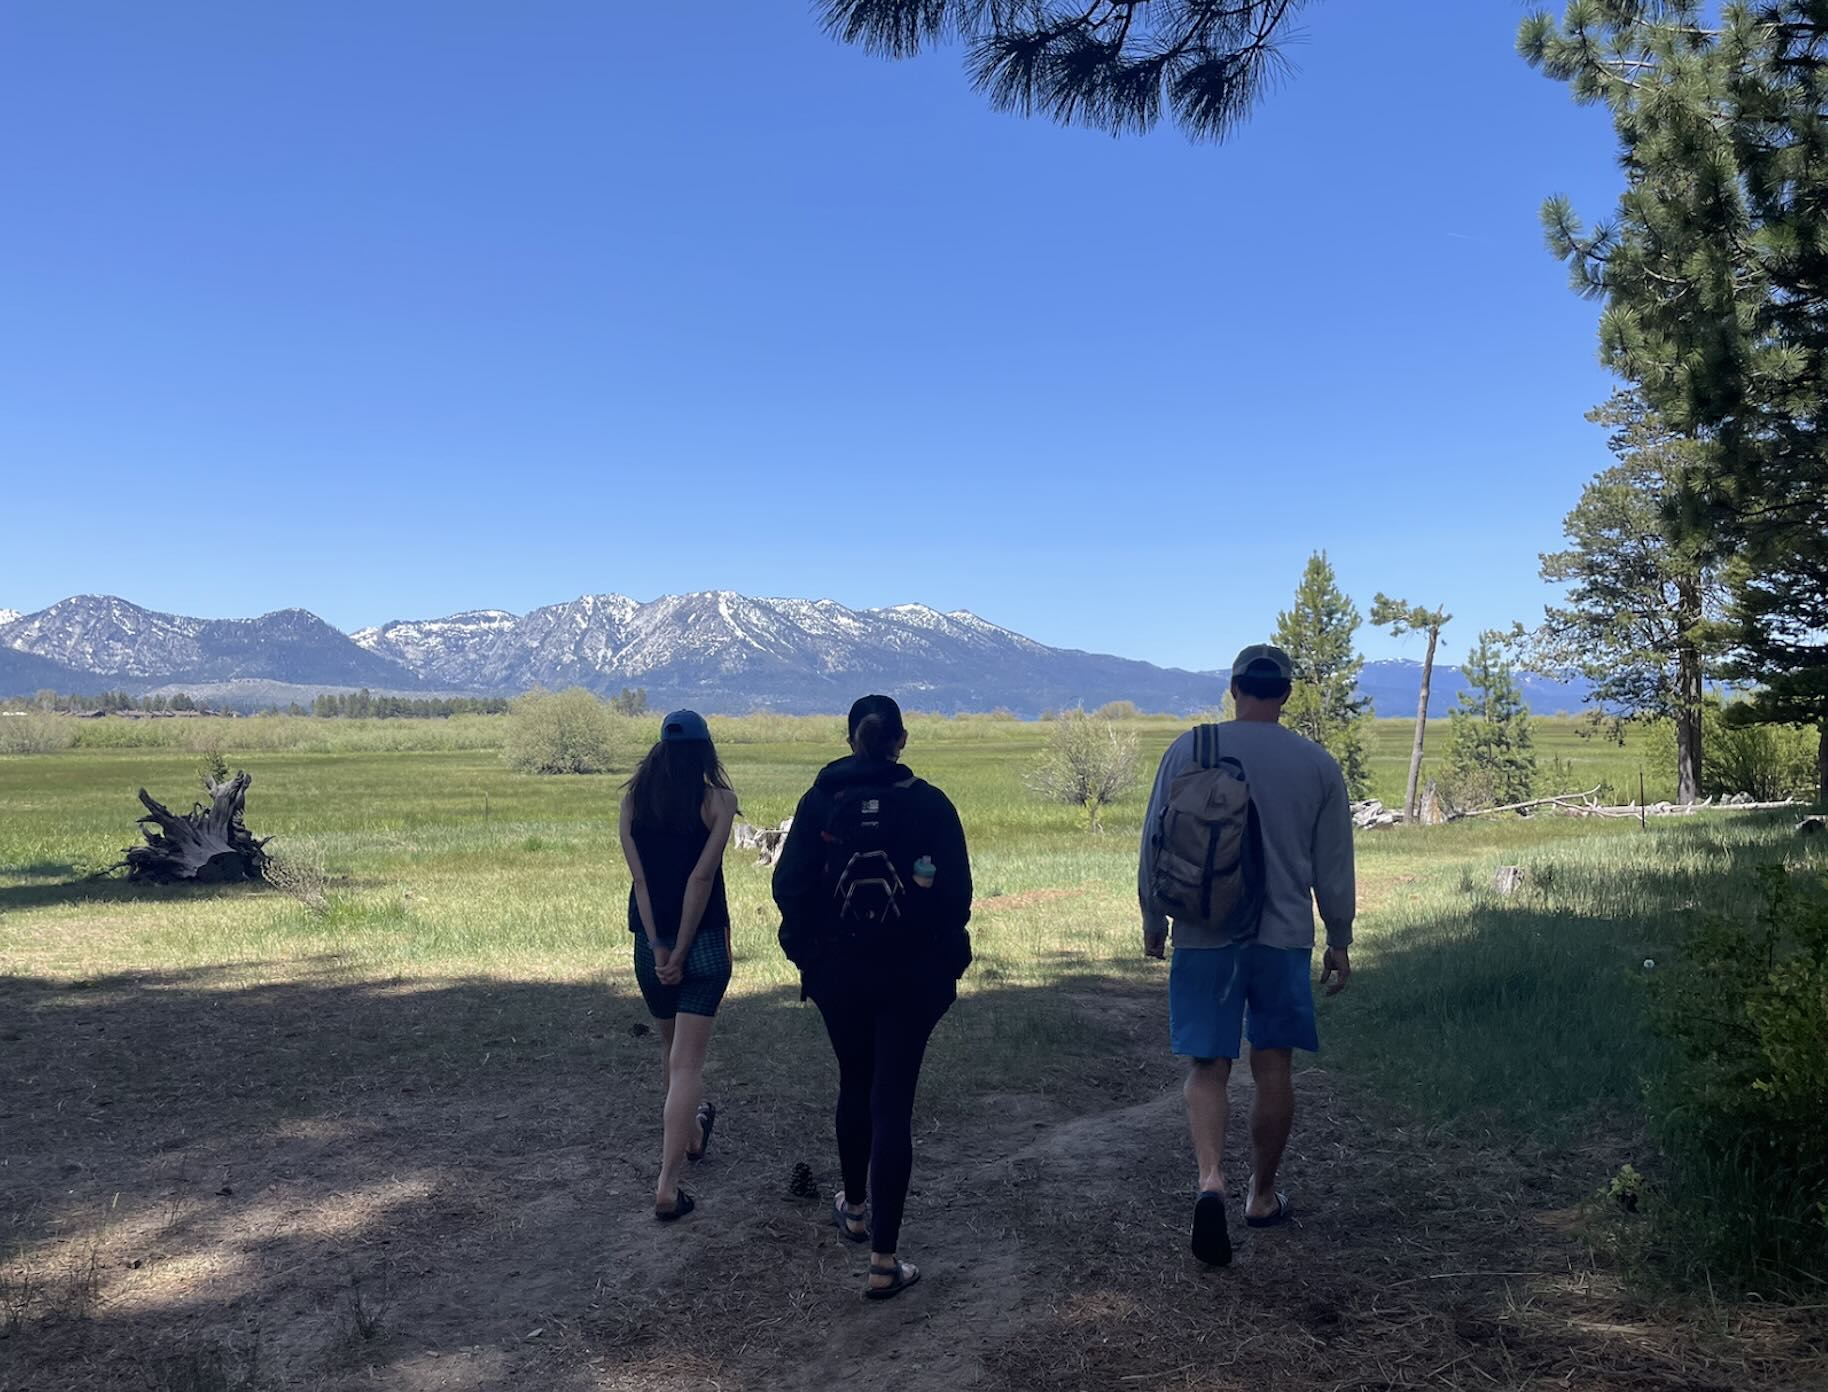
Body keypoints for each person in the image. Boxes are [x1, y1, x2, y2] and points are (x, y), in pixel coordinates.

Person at [1137, 644, 1355, 1268]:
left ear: (1234, 688)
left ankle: (1211, 1181)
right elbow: (1334, 865)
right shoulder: (1316, 763)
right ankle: (1261, 1196)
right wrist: (1339, 936)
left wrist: (1155, 917)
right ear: (1286, 693)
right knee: (1274, 1069)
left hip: (1206, 932)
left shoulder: (1192, 748)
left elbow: (1156, 836)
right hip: (1282, 938)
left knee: (1207, 1067)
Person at [773, 694, 973, 1300]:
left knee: (854, 1083)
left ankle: (855, 1209)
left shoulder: (820, 802)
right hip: (912, 979)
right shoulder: (930, 804)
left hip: (840, 975)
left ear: (848, 736)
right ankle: (884, 1261)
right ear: (902, 741)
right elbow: (958, 894)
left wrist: (812, 955)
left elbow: (788, 886)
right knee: (893, 1103)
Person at [619, 709, 739, 1222]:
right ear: (705, 751)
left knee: (672, 1053)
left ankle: (692, 1135)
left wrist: (661, 946)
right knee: (688, 1064)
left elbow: (642, 883)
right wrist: (686, 949)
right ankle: (667, 1184)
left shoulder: (632, 802)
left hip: (651, 946)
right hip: (706, 944)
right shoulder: (719, 802)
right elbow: (701, 879)